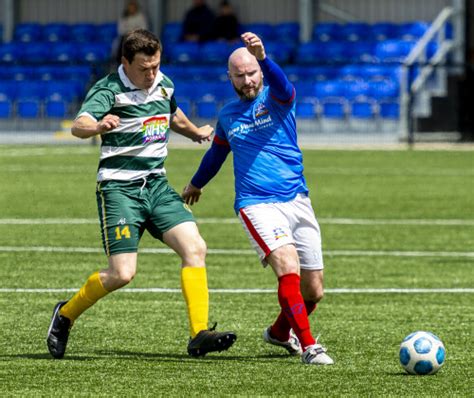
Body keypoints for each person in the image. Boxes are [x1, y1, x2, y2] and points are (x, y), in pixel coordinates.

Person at [46, 29, 236, 359]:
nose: (151, 74)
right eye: (144, 68)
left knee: (195, 247)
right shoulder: (109, 89)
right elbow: (79, 124)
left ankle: (199, 333)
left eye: (156, 66)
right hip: (119, 188)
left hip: (157, 186)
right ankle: (65, 316)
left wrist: (194, 132)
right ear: (125, 63)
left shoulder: (163, 82)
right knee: (122, 273)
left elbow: (171, 113)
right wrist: (98, 126)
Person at [182, 32, 334, 365]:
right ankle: (309, 347)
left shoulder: (277, 98)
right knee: (287, 266)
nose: (248, 80)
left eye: (252, 73)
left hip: (297, 198)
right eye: (240, 75)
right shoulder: (228, 116)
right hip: (255, 203)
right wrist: (195, 183)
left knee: (314, 290)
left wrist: (263, 56)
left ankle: (280, 332)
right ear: (230, 77)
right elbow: (216, 155)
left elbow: (284, 86)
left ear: (260, 72)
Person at [115, 0, 148, 64]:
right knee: (121, 43)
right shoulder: (124, 17)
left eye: (133, 7)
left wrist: (134, 32)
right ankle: (121, 62)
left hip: (138, 37)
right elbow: (120, 30)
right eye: (130, 7)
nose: (131, 9)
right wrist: (129, 32)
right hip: (126, 37)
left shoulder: (141, 17)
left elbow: (144, 28)